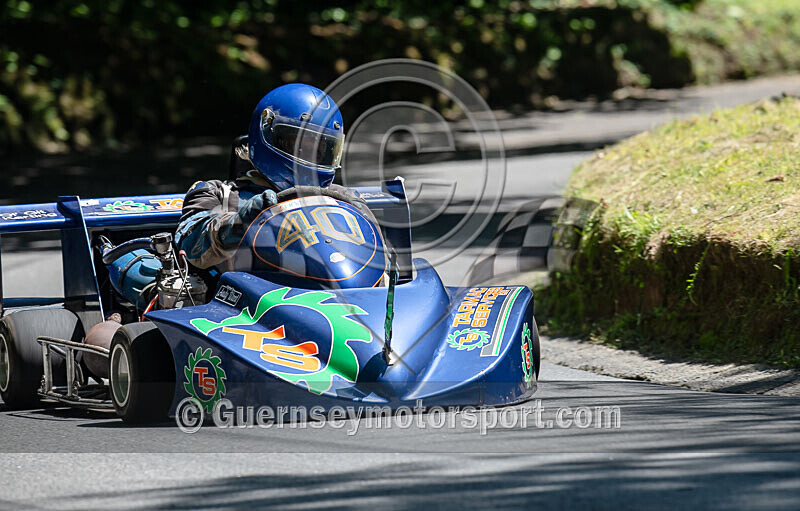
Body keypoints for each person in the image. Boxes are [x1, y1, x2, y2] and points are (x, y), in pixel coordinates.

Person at [176, 83, 370, 271]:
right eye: (299, 145)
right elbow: (189, 247)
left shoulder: (341, 199)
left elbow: (379, 261)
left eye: (319, 149)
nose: (309, 155)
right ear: (267, 135)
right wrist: (239, 223)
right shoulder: (219, 194)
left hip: (335, 297)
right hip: (252, 298)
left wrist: (366, 219)